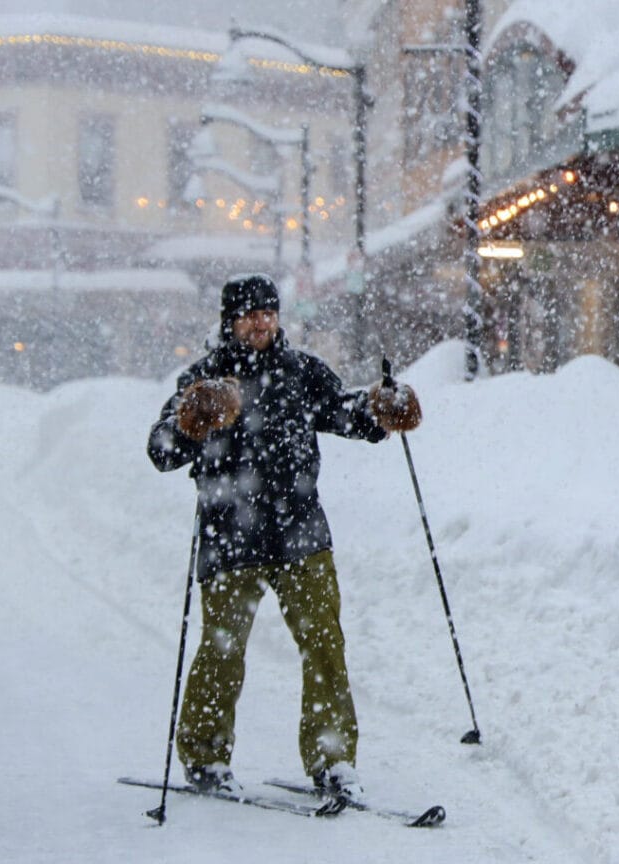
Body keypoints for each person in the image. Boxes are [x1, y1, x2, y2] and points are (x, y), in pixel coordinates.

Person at [147, 273, 421, 803]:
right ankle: (204, 757)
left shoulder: (300, 372)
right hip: (230, 537)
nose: (261, 322)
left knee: (325, 644)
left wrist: (380, 409)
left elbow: (344, 412)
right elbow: (161, 450)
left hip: (301, 532)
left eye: (268, 312)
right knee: (222, 650)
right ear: (230, 321)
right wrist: (189, 422)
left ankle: (334, 761)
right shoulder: (203, 379)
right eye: (249, 314)